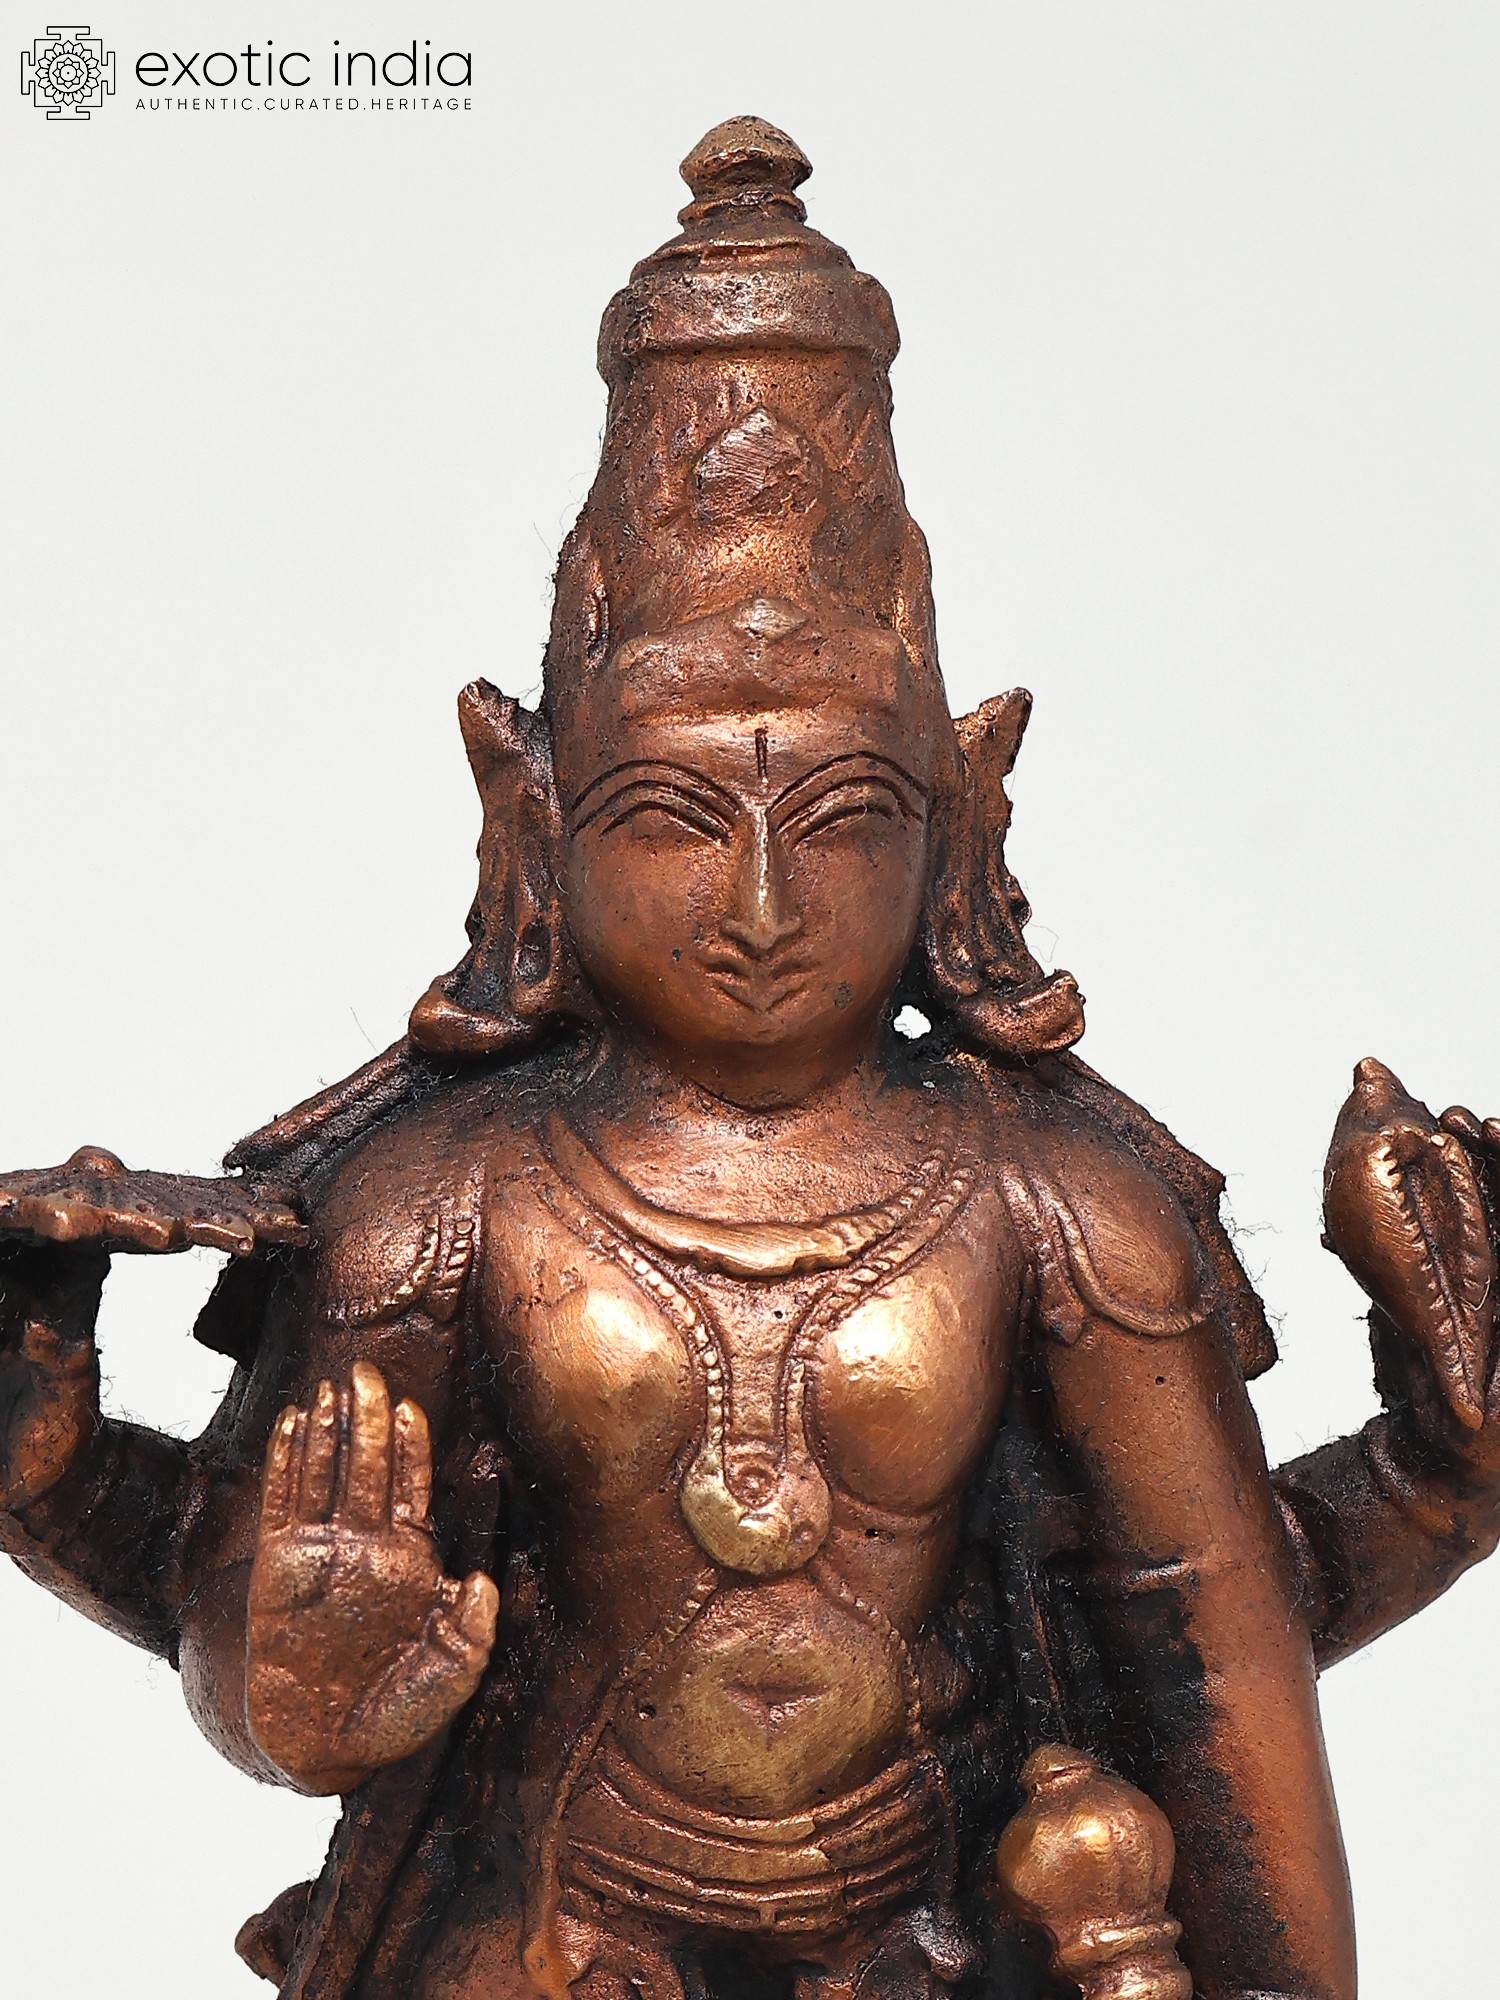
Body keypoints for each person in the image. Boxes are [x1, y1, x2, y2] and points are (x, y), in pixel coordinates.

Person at [4, 118, 1499, 2000]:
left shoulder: (1061, 1210)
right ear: (529, 816)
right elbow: (249, 1619)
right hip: (540, 1937)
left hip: (947, 1934)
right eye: (674, 818)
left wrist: (1440, 1474)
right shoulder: (437, 1212)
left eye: (850, 815)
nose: (767, 906)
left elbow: (1211, 1647)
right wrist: (228, 1624)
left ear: (964, 813)